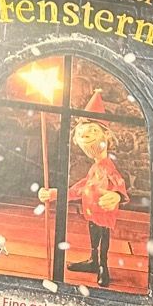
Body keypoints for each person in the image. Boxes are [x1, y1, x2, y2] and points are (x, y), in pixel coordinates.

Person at [39, 91, 128, 287]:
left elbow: (118, 182)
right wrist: (54, 194)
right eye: (81, 133)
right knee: (94, 236)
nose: (85, 136)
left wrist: (116, 196)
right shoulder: (94, 168)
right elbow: (80, 188)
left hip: (103, 214)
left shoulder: (107, 167)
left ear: (106, 135)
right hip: (92, 213)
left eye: (92, 131)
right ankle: (93, 260)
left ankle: (103, 265)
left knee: (103, 237)